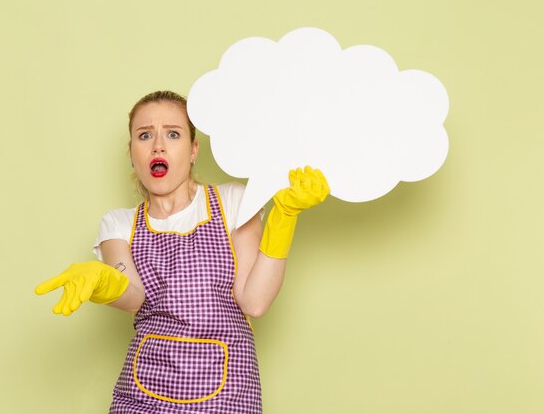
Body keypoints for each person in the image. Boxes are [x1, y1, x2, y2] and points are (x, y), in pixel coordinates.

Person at [35, 90, 329, 414]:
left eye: (172, 134)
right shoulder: (119, 224)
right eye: (144, 135)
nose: (158, 145)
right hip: (144, 393)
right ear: (132, 153)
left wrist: (284, 217)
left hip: (227, 394)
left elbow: (255, 302)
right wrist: (103, 281)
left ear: (192, 150)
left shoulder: (233, 202)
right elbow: (133, 298)